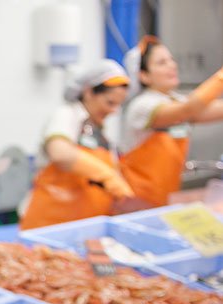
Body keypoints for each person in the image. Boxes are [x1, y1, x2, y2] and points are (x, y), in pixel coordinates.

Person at [20, 59, 133, 230]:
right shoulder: (66, 115)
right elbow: (60, 153)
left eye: (118, 105)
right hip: (50, 226)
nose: (113, 111)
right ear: (88, 92)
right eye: (109, 103)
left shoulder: (101, 132)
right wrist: (107, 176)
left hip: (84, 228)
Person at [120, 35, 223, 209]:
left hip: (162, 199)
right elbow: (187, 110)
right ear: (143, 76)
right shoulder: (142, 105)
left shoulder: (174, 100)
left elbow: (209, 110)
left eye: (171, 60)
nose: (172, 65)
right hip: (135, 201)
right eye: (161, 63)